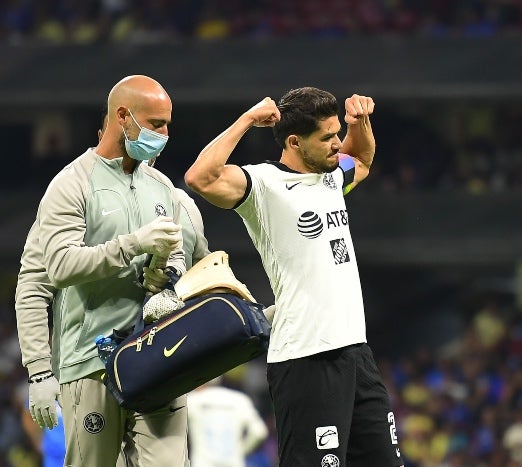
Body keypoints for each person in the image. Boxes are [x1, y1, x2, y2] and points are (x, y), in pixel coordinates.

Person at [185, 87, 404, 466]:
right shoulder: (264, 186)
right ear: (294, 142)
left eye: (338, 134)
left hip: (356, 353)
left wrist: (360, 123)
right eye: (327, 138)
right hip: (306, 358)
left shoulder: (333, 177)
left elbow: (363, 157)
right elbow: (201, 178)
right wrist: (247, 120)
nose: (338, 145)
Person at [16, 109, 212, 465]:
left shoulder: (177, 200)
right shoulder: (71, 189)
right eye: (154, 126)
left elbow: (198, 278)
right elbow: (34, 283)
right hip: (91, 363)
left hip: (161, 361)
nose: (161, 136)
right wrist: (39, 370)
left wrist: (168, 281)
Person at [186, 376, 268, 467]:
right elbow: (259, 431)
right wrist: (240, 452)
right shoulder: (240, 400)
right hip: (233, 463)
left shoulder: (193, 400)